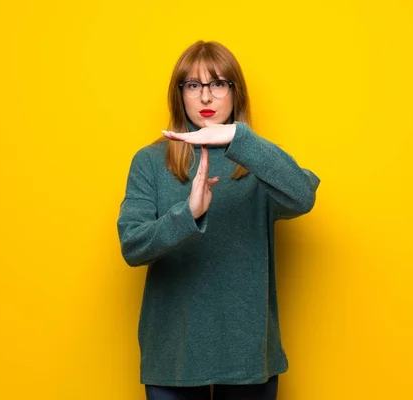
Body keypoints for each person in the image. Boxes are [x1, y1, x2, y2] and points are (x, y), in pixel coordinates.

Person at [117, 40, 320, 400]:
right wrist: (188, 214)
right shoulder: (150, 161)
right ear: (179, 94)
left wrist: (239, 138)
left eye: (218, 83)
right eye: (193, 85)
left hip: (247, 353)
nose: (206, 97)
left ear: (235, 92)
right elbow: (133, 246)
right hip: (175, 352)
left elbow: (303, 197)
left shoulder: (258, 162)